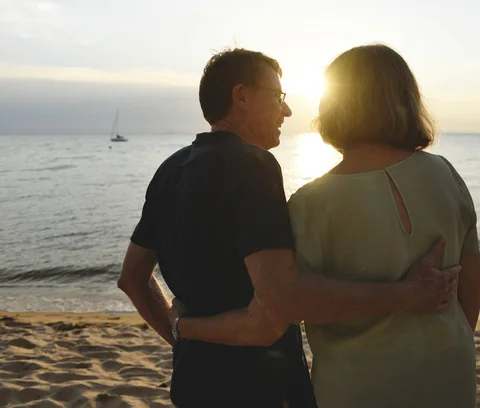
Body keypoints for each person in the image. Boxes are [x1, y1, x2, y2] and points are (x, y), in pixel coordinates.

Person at [118, 48, 460, 408]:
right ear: (242, 96)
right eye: (279, 97)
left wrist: (183, 334)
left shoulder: (169, 170)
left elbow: (132, 278)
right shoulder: (254, 165)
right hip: (258, 385)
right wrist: (408, 293)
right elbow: (275, 309)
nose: (287, 110)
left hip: (192, 381)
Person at [286, 44, 480, 408]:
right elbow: (475, 286)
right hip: (448, 369)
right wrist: (447, 346)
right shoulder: (446, 174)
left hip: (356, 383)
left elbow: (297, 304)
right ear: (406, 99)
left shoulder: (309, 203)